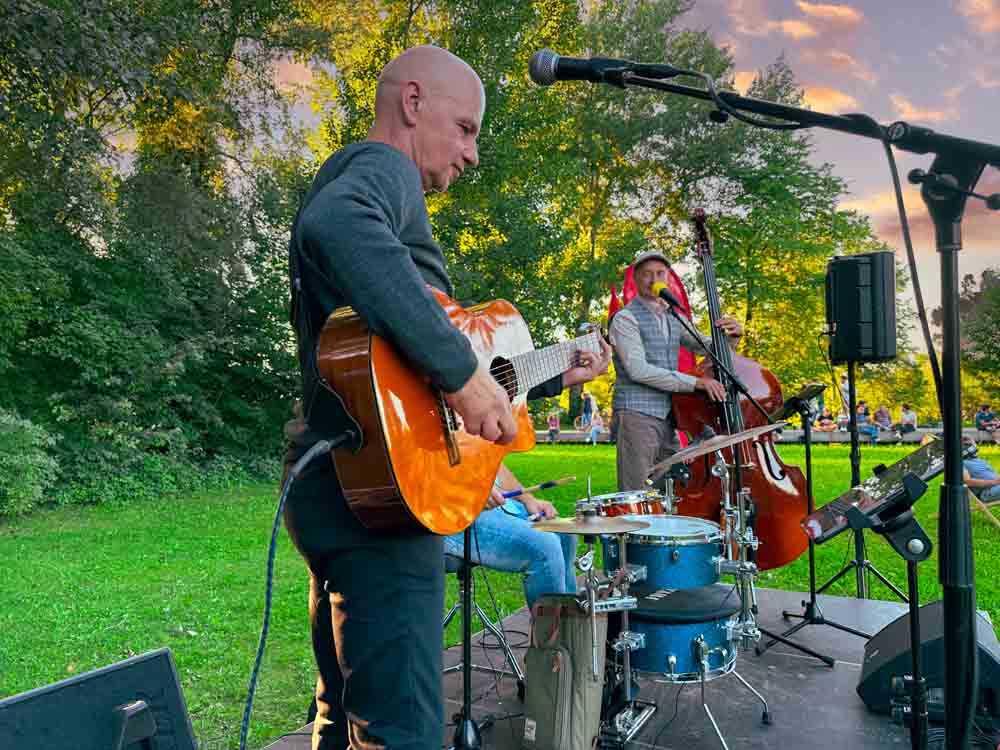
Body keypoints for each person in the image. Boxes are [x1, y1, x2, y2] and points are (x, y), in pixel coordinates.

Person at [282, 45, 611, 749]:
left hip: (344, 485)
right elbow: (337, 226)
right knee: (399, 732)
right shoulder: (379, 170)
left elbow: (414, 376)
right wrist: (462, 376)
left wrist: (555, 373)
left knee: (346, 718)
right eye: (465, 128)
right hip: (380, 503)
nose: (473, 154)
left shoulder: (371, 182)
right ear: (411, 103)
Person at [609, 249, 743, 490]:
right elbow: (638, 370)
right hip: (636, 414)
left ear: (668, 278)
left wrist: (732, 337)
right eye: (647, 274)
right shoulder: (625, 318)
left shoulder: (672, 317)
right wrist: (698, 383)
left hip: (668, 416)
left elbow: (706, 347)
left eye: (660, 273)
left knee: (671, 488)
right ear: (635, 279)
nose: (654, 279)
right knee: (636, 491)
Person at [444, 464, 577, 608]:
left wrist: (529, 499)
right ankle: (552, 629)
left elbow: (496, 464)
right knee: (545, 545)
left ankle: (569, 620)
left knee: (564, 533)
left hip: (490, 505)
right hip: (448, 513)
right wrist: (469, 489)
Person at [963, 437, 1000, 502]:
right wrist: (994, 482)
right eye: (969, 444)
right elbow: (967, 481)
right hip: (987, 492)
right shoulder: (961, 463)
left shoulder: (979, 460)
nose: (974, 446)